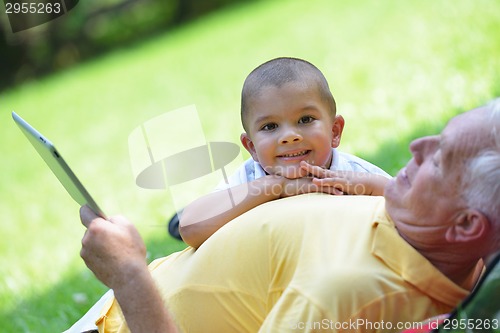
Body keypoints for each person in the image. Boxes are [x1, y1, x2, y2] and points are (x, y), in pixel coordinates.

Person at [74, 98, 500, 332]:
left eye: (441, 159)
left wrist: (129, 276)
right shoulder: (416, 222)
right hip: (126, 302)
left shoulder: (344, 299)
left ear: (466, 225)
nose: (416, 147)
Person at [177, 57, 390, 248]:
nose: (289, 136)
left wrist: (372, 186)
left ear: (334, 131)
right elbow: (190, 227)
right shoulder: (250, 178)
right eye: (270, 126)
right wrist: (277, 187)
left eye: (305, 120)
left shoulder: (353, 176)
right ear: (252, 147)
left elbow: (411, 205)